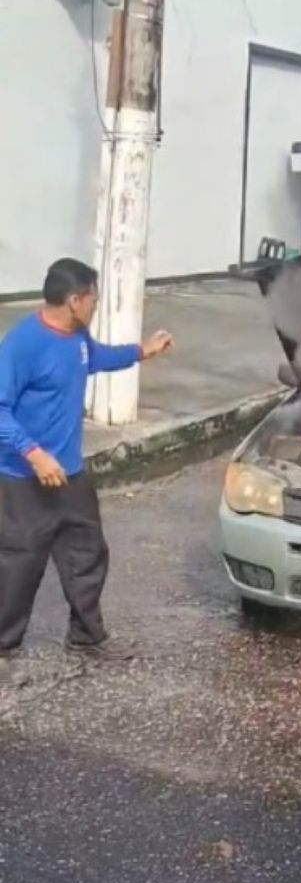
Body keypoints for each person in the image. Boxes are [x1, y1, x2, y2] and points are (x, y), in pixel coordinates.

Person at [0, 259, 173, 664]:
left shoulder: (77, 337)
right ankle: (4, 642)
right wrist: (34, 453)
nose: (97, 305)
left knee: (87, 550)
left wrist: (141, 352)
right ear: (75, 300)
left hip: (70, 474)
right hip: (22, 477)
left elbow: (93, 358)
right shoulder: (22, 345)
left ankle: (87, 635)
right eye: (93, 298)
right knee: (21, 561)